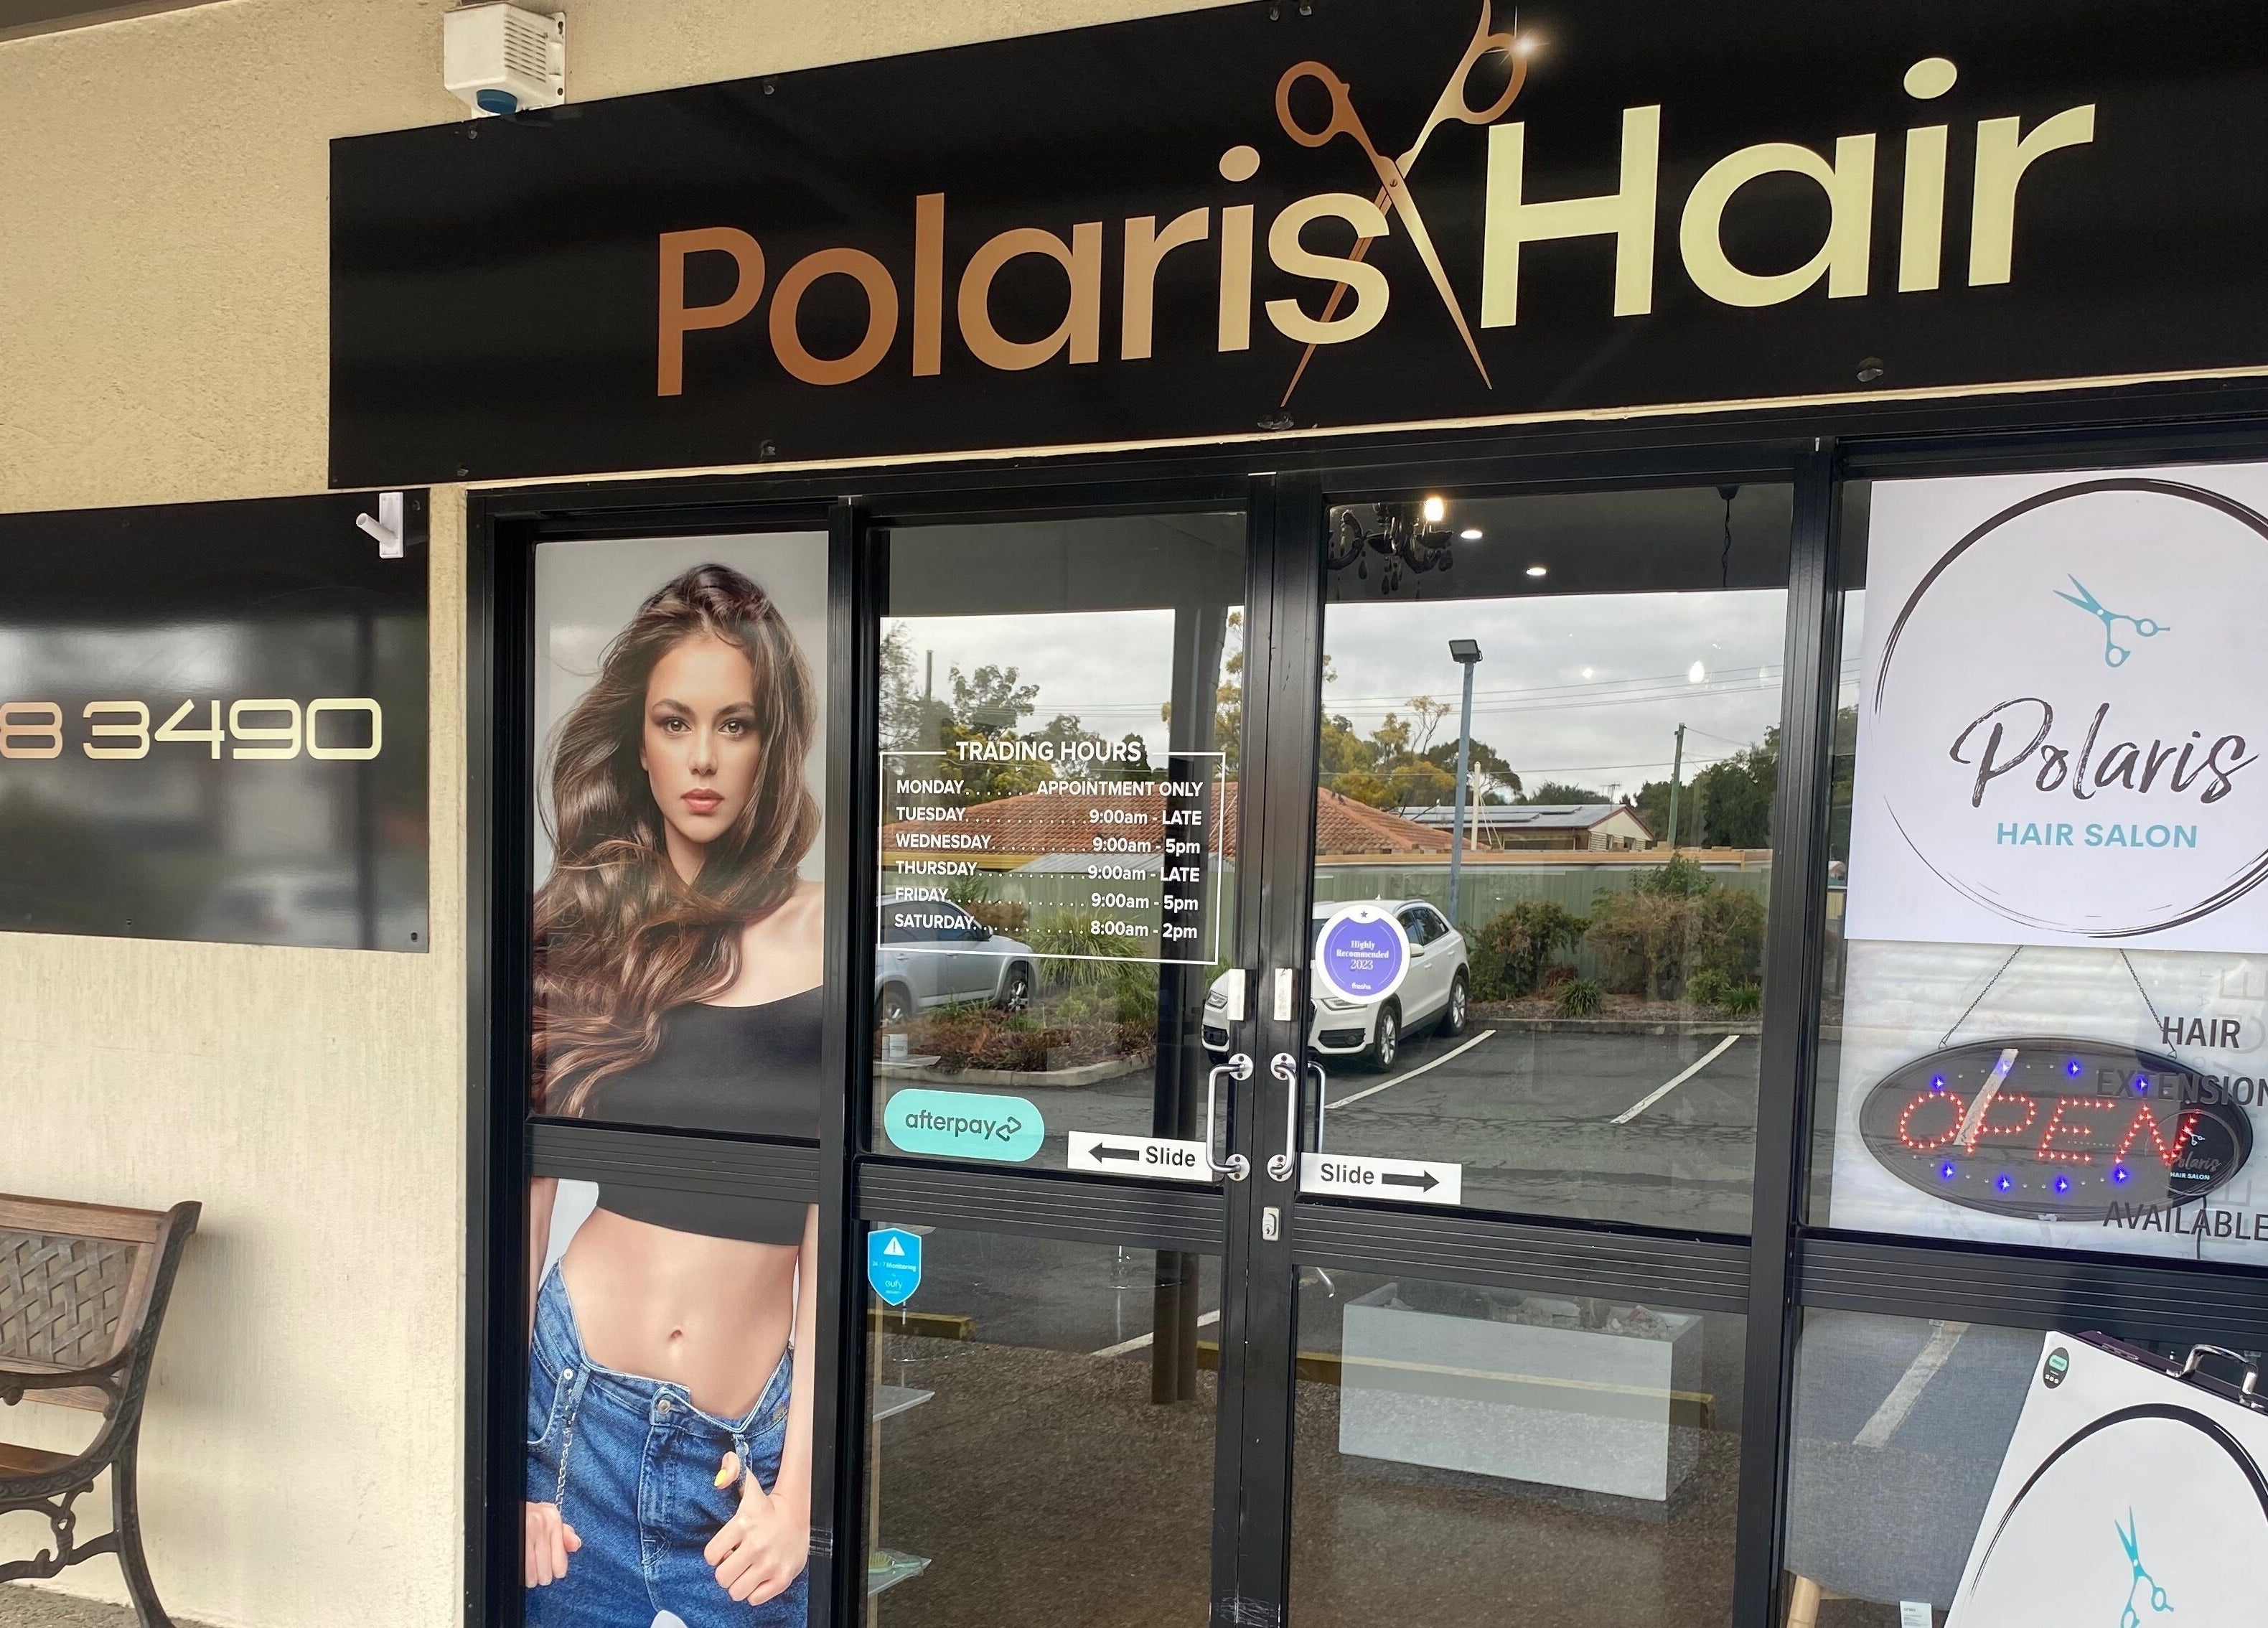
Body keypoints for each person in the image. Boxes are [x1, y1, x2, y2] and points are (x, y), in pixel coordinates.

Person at [524, 562, 824, 1626]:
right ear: (638, 740)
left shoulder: (828, 933)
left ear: (769, 746)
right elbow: (526, 1190)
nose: (702, 758)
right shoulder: (577, 928)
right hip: (571, 1421)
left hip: (745, 1453)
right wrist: (509, 1465)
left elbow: (831, 1219)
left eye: (734, 725)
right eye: (675, 721)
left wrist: (803, 1493)